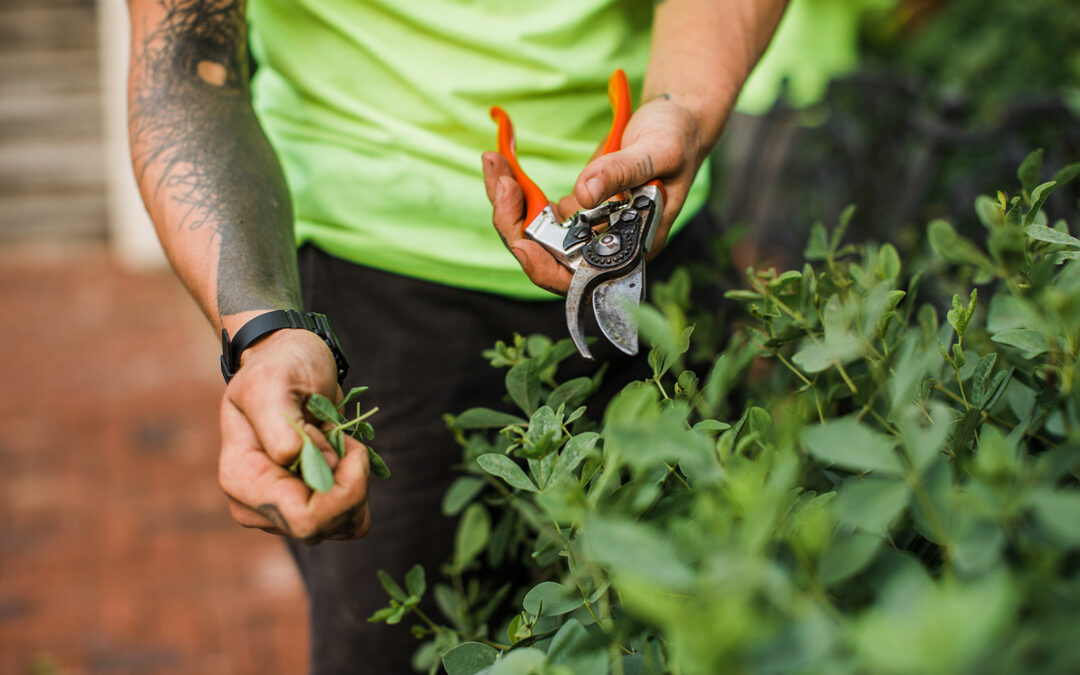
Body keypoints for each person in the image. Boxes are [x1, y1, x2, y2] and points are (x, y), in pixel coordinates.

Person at [126, 0, 787, 671]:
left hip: (652, 253)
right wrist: (262, 330)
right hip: (367, 286)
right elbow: (184, 61)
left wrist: (686, 103)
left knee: (694, 634)